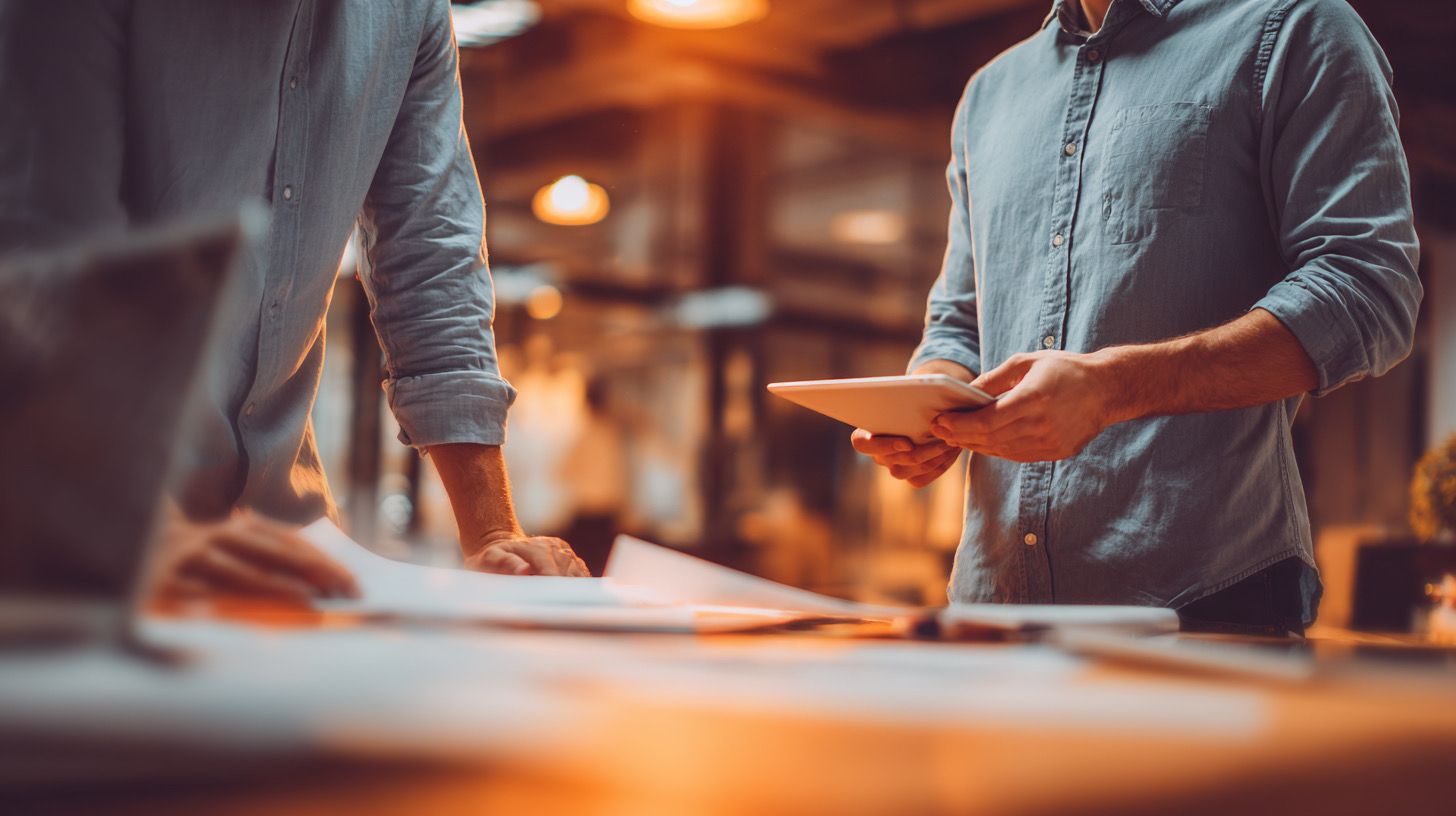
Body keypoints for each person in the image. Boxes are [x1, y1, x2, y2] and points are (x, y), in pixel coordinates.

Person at [852, 0, 1421, 635]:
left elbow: (1369, 287)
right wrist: (928, 407)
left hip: (1206, 609)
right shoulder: (989, 94)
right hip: (990, 613)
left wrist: (1112, 388)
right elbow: (960, 323)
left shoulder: (1294, 29)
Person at [0, 0, 588, 600]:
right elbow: (40, 255)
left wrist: (493, 535)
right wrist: (123, 527)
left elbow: (431, 253)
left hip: (283, 539)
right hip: (60, 547)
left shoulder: (408, 12)